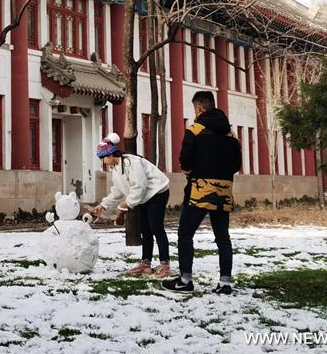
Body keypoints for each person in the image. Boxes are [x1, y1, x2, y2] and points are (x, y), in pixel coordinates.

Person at [162, 90, 241, 295]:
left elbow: (185, 160)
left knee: (185, 234)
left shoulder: (195, 130)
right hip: (224, 191)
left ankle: (185, 280)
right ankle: (224, 283)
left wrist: (192, 174)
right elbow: (236, 164)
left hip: (200, 189)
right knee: (222, 236)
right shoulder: (230, 134)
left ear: (198, 108)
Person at [89, 133, 172, 278]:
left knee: (156, 228)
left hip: (157, 193)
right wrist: (102, 205)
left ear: (110, 154)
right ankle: (145, 264)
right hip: (143, 197)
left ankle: (165, 265)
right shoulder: (115, 168)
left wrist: (128, 203)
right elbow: (117, 191)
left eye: (103, 157)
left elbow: (140, 186)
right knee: (145, 229)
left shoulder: (131, 162)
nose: (103, 161)